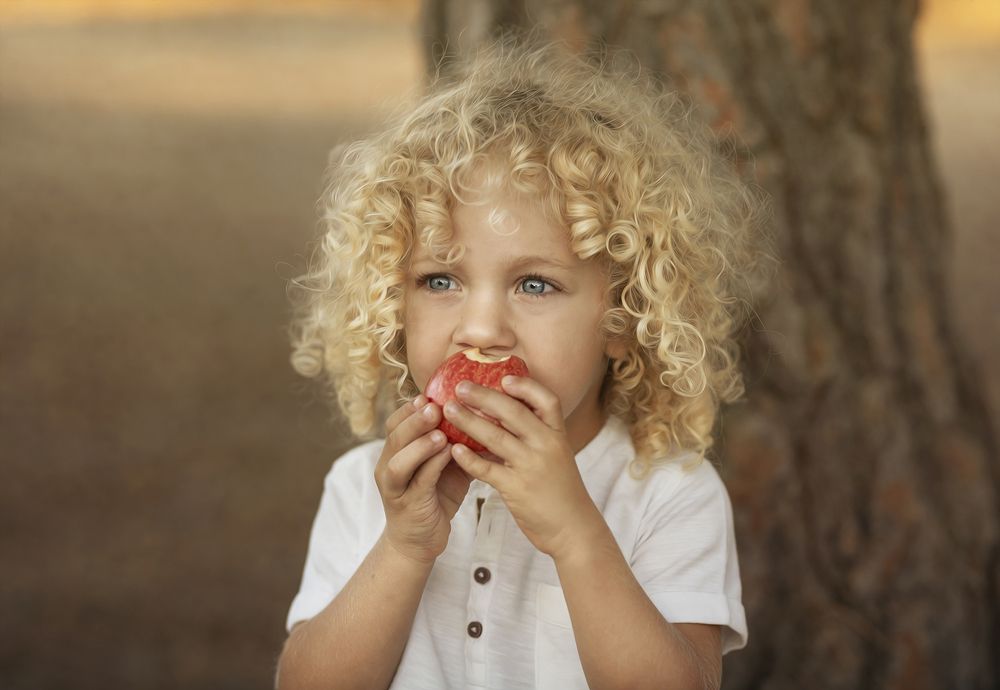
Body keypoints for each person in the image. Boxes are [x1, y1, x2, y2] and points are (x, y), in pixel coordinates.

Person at [276, 34, 768, 690]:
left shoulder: (668, 498)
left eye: (534, 284)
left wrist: (575, 533)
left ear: (625, 317)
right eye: (440, 281)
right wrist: (403, 547)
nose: (479, 329)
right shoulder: (367, 489)